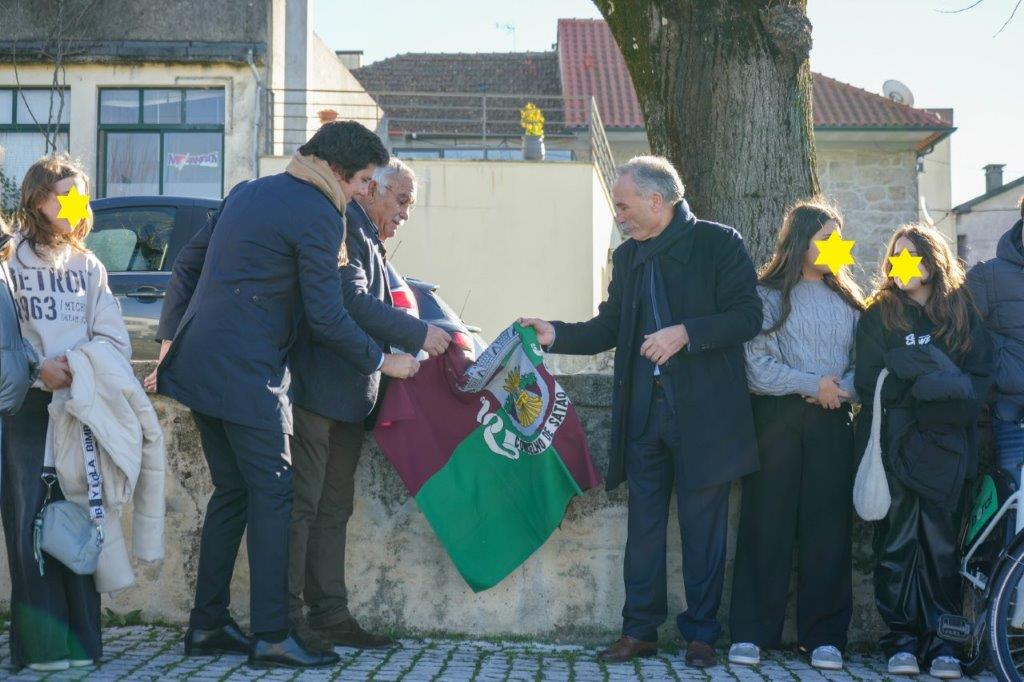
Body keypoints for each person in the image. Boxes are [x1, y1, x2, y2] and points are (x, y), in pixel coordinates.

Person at [152, 121, 419, 669]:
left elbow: (187, 265)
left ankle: (207, 625)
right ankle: (272, 636)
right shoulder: (322, 212)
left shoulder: (248, 190)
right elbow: (325, 314)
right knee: (275, 492)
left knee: (233, 493)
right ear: (339, 169)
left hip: (199, 364)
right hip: (248, 373)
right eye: (364, 179)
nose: (362, 191)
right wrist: (382, 358)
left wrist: (168, 345)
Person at [521, 155, 762, 668]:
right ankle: (640, 632)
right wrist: (556, 333)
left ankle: (701, 637)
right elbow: (609, 326)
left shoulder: (721, 243)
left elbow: (748, 316)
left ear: (658, 201)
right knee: (643, 530)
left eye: (624, 206)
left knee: (704, 533)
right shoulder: (627, 257)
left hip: (705, 418)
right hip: (643, 416)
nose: (619, 216)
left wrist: (686, 333)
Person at [286, 158, 449, 650]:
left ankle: (331, 616)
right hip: (317, 392)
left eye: (410, 205)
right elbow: (349, 301)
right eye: (400, 200)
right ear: (368, 189)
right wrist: (419, 333)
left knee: (334, 509)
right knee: (303, 508)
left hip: (351, 397)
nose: (404, 214)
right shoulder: (342, 225)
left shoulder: (370, 236)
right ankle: (289, 620)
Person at [1, 155, 131, 672]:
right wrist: (39, 372)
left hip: (80, 410)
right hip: (26, 412)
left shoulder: (89, 266)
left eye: (81, 193)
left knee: (78, 520)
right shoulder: (9, 262)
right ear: (36, 200)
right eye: (64, 193)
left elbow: (113, 337)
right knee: (29, 522)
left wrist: (78, 366)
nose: (77, 204)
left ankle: (81, 644)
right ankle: (42, 650)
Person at [728, 200, 864, 671]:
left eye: (838, 238)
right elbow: (755, 367)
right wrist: (814, 384)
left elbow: (863, 364)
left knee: (828, 529)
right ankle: (750, 633)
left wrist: (838, 390)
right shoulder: (765, 296)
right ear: (800, 241)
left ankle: (825, 637)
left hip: (832, 425)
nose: (834, 246)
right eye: (825, 237)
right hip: (777, 424)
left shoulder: (850, 303)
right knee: (766, 524)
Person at [856, 223, 993, 679]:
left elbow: (976, 384)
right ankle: (901, 642)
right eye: (894, 256)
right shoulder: (879, 315)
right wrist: (930, 382)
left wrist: (922, 379)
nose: (900, 265)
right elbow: (872, 380)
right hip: (896, 447)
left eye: (910, 256)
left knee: (940, 550)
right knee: (895, 547)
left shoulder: (961, 312)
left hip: (948, 451)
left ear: (932, 262)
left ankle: (944, 645)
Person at [967, 198, 1024, 511]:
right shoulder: (987, 276)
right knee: (1014, 504)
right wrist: (995, 376)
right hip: (1010, 411)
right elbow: (965, 337)